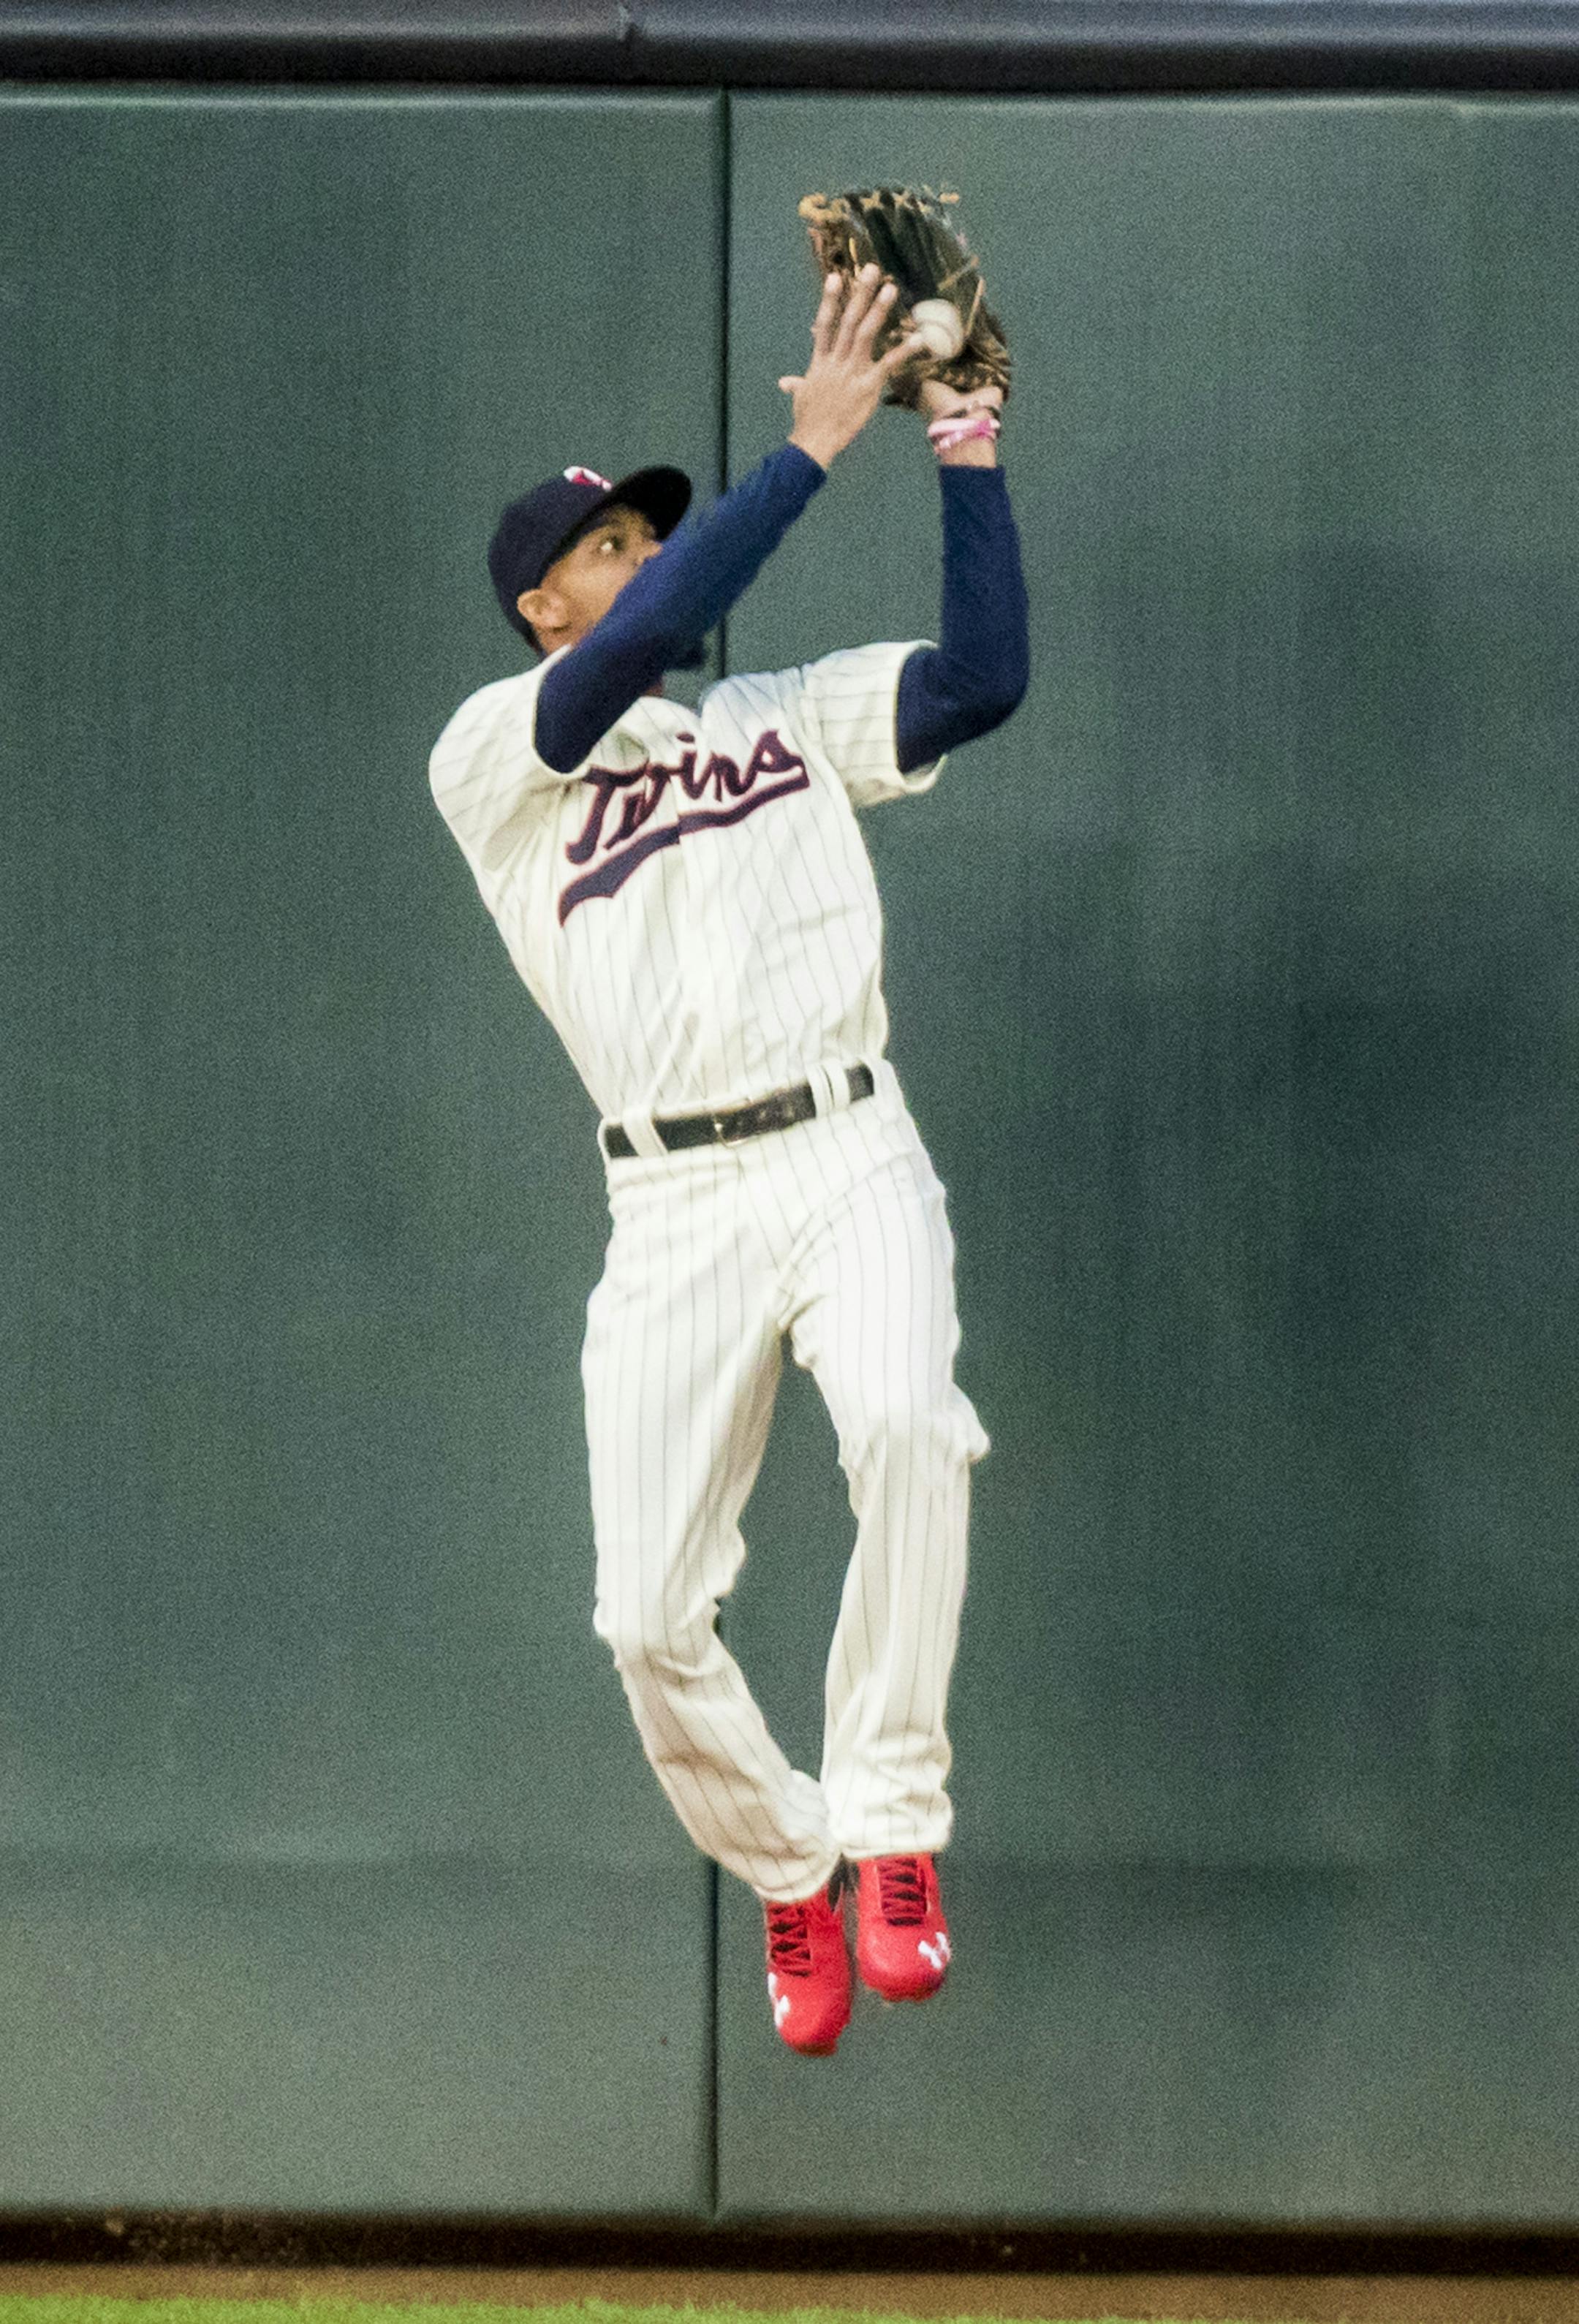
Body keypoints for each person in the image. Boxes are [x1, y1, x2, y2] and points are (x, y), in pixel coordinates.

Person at [429, 265, 1029, 2058]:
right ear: (544, 604)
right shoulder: (491, 760)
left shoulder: (781, 713)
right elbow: (627, 653)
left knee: (916, 1427)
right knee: (641, 1617)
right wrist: (806, 459)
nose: (638, 563)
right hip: (674, 1204)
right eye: (607, 546)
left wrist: (969, 451)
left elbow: (984, 682)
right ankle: (784, 1862)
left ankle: (891, 1831)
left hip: (850, 1146)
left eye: (643, 535)